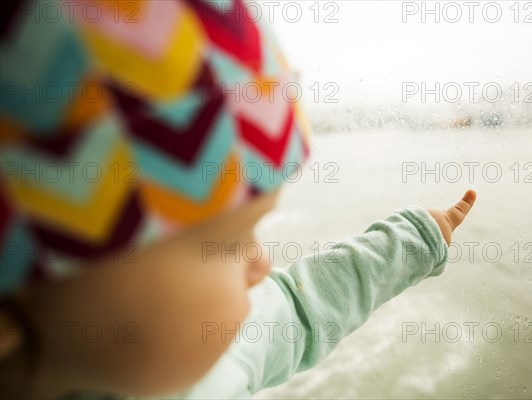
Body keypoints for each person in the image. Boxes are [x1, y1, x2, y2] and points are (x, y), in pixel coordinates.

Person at [0, 0, 476, 398]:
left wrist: (414, 239)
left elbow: (300, 308)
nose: (262, 267)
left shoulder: (213, 356)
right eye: (226, 242)